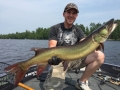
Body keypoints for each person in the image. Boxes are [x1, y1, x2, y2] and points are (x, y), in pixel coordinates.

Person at [43, 3, 105, 90]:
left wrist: (95, 43)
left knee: (100, 55)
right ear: (64, 14)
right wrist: (54, 58)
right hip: (59, 61)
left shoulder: (78, 30)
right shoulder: (55, 28)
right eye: (69, 12)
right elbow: (52, 47)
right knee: (52, 88)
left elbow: (84, 43)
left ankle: (82, 81)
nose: (71, 15)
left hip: (74, 59)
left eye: (74, 13)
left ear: (76, 16)